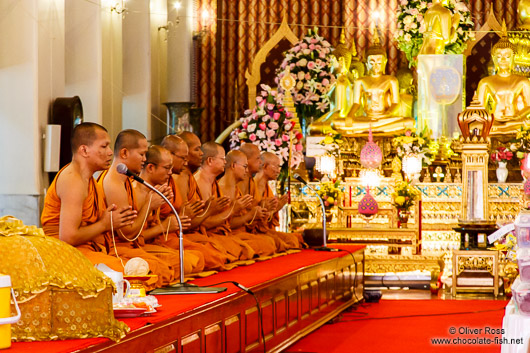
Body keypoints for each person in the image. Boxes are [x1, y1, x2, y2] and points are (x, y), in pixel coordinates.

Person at [41, 123, 137, 272]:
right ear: (84, 150)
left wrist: (111, 220)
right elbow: (68, 238)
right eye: (104, 147)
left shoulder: (90, 181)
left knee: (143, 267)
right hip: (65, 255)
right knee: (127, 272)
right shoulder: (73, 180)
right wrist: (105, 224)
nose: (110, 152)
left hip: (90, 250)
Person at [98, 129, 176, 287]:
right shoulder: (113, 183)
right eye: (142, 154)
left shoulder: (124, 180)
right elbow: (128, 234)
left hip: (129, 247)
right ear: (125, 153)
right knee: (161, 270)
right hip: (117, 248)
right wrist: (149, 204)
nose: (145, 159)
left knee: (171, 264)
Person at [159, 135, 230, 271]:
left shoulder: (180, 178)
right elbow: (184, 223)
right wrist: (216, 210)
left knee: (218, 252)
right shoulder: (175, 179)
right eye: (197, 149)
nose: (201, 153)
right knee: (209, 256)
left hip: (180, 236)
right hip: (165, 239)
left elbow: (185, 221)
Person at [134, 145, 205, 275]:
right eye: (167, 168)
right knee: (182, 264)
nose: (170, 173)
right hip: (136, 248)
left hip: (155, 244)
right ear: (150, 168)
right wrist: (164, 226)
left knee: (198, 258)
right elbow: (132, 238)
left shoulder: (158, 190)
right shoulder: (137, 192)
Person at [331, 30, 414, 135]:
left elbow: (395, 103)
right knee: (335, 123)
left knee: (409, 122)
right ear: (367, 64)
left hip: (385, 118)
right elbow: (356, 103)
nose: (376, 65)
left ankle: (371, 128)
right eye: (372, 62)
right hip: (366, 118)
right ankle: (373, 127)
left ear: (385, 62)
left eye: (379, 62)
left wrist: (387, 114)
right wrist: (350, 115)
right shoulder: (361, 81)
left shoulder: (391, 80)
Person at [195, 142, 256, 262]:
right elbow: (203, 223)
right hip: (204, 236)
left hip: (217, 235)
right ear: (210, 161)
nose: (225, 162)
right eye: (222, 159)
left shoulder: (212, 182)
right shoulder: (200, 182)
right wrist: (233, 209)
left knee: (248, 248)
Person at [219, 150, 276, 257]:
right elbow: (224, 224)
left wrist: (262, 211)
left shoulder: (236, 187)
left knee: (270, 243)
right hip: (226, 236)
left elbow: (246, 217)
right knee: (265, 244)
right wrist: (250, 215)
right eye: (245, 166)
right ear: (233, 166)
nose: (246, 170)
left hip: (240, 233)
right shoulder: (221, 188)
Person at [476, 22, 530, 135]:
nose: (503, 60)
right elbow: (479, 109)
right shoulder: (485, 82)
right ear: (494, 58)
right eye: (499, 57)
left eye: (507, 56)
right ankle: (503, 128)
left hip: (515, 120)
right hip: (494, 122)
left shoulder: (522, 81)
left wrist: (517, 116)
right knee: (476, 126)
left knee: (526, 124)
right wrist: (489, 120)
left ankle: (507, 127)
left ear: (513, 58)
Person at [252, 151, 304, 249]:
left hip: (264, 232)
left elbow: (267, 219)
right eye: (276, 167)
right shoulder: (252, 186)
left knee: (294, 239)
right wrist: (273, 209)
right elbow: (250, 221)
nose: (278, 171)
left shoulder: (267, 188)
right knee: (275, 243)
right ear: (265, 166)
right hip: (253, 233)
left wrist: (276, 208)